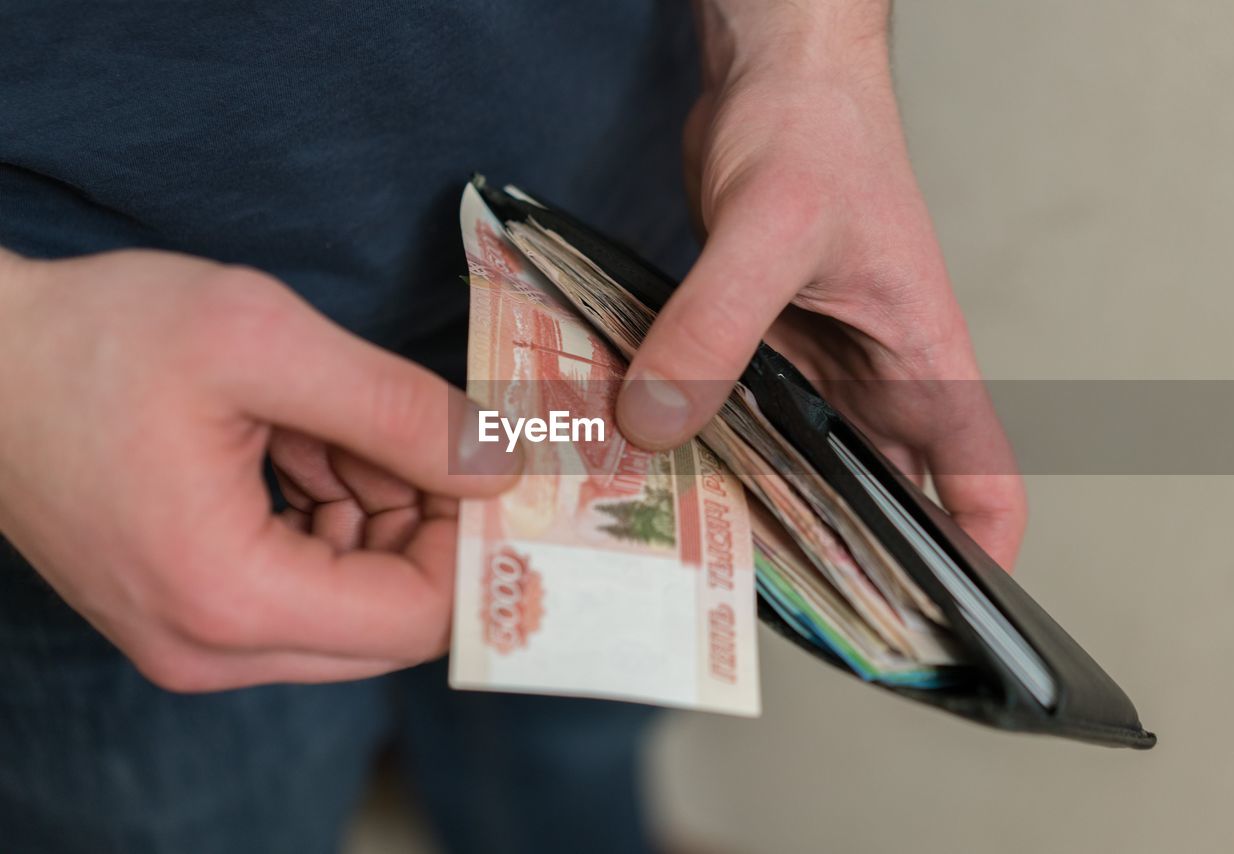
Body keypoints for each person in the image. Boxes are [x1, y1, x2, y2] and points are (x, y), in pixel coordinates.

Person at [0, 1, 1026, 851]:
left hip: (631, 253)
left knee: (574, 745)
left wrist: (810, 54)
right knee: (218, 808)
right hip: (97, 404)